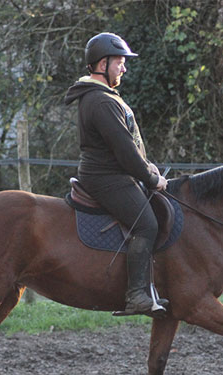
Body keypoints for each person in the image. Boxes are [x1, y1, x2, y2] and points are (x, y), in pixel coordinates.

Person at [64, 32, 169, 317]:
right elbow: (124, 150)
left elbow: (130, 147)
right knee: (146, 224)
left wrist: (148, 167)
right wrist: (151, 178)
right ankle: (136, 295)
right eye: (119, 62)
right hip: (107, 178)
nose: (123, 68)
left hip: (114, 175)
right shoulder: (100, 101)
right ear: (102, 64)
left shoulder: (105, 97)